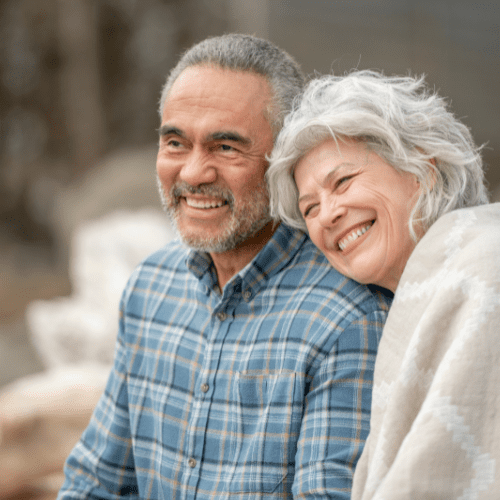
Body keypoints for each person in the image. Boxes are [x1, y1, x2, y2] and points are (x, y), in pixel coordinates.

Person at [58, 36, 392, 499]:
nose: (193, 173)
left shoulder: (348, 317)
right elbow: (97, 482)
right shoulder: (151, 286)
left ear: (287, 160)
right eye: (175, 142)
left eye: (226, 147)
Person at [267, 69, 500, 498]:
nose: (328, 215)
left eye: (343, 181)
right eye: (310, 207)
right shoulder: (411, 295)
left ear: (424, 169)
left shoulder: (484, 268)